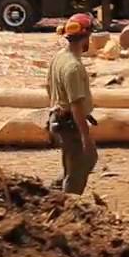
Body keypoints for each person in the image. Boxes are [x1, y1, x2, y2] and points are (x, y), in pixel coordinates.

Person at [46, 12, 97, 195]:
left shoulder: (60, 57)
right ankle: (67, 206)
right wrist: (86, 137)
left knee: (78, 164)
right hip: (70, 123)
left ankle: (52, 193)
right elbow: (76, 106)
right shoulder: (73, 67)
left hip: (58, 119)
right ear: (86, 37)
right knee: (78, 170)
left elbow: (48, 87)